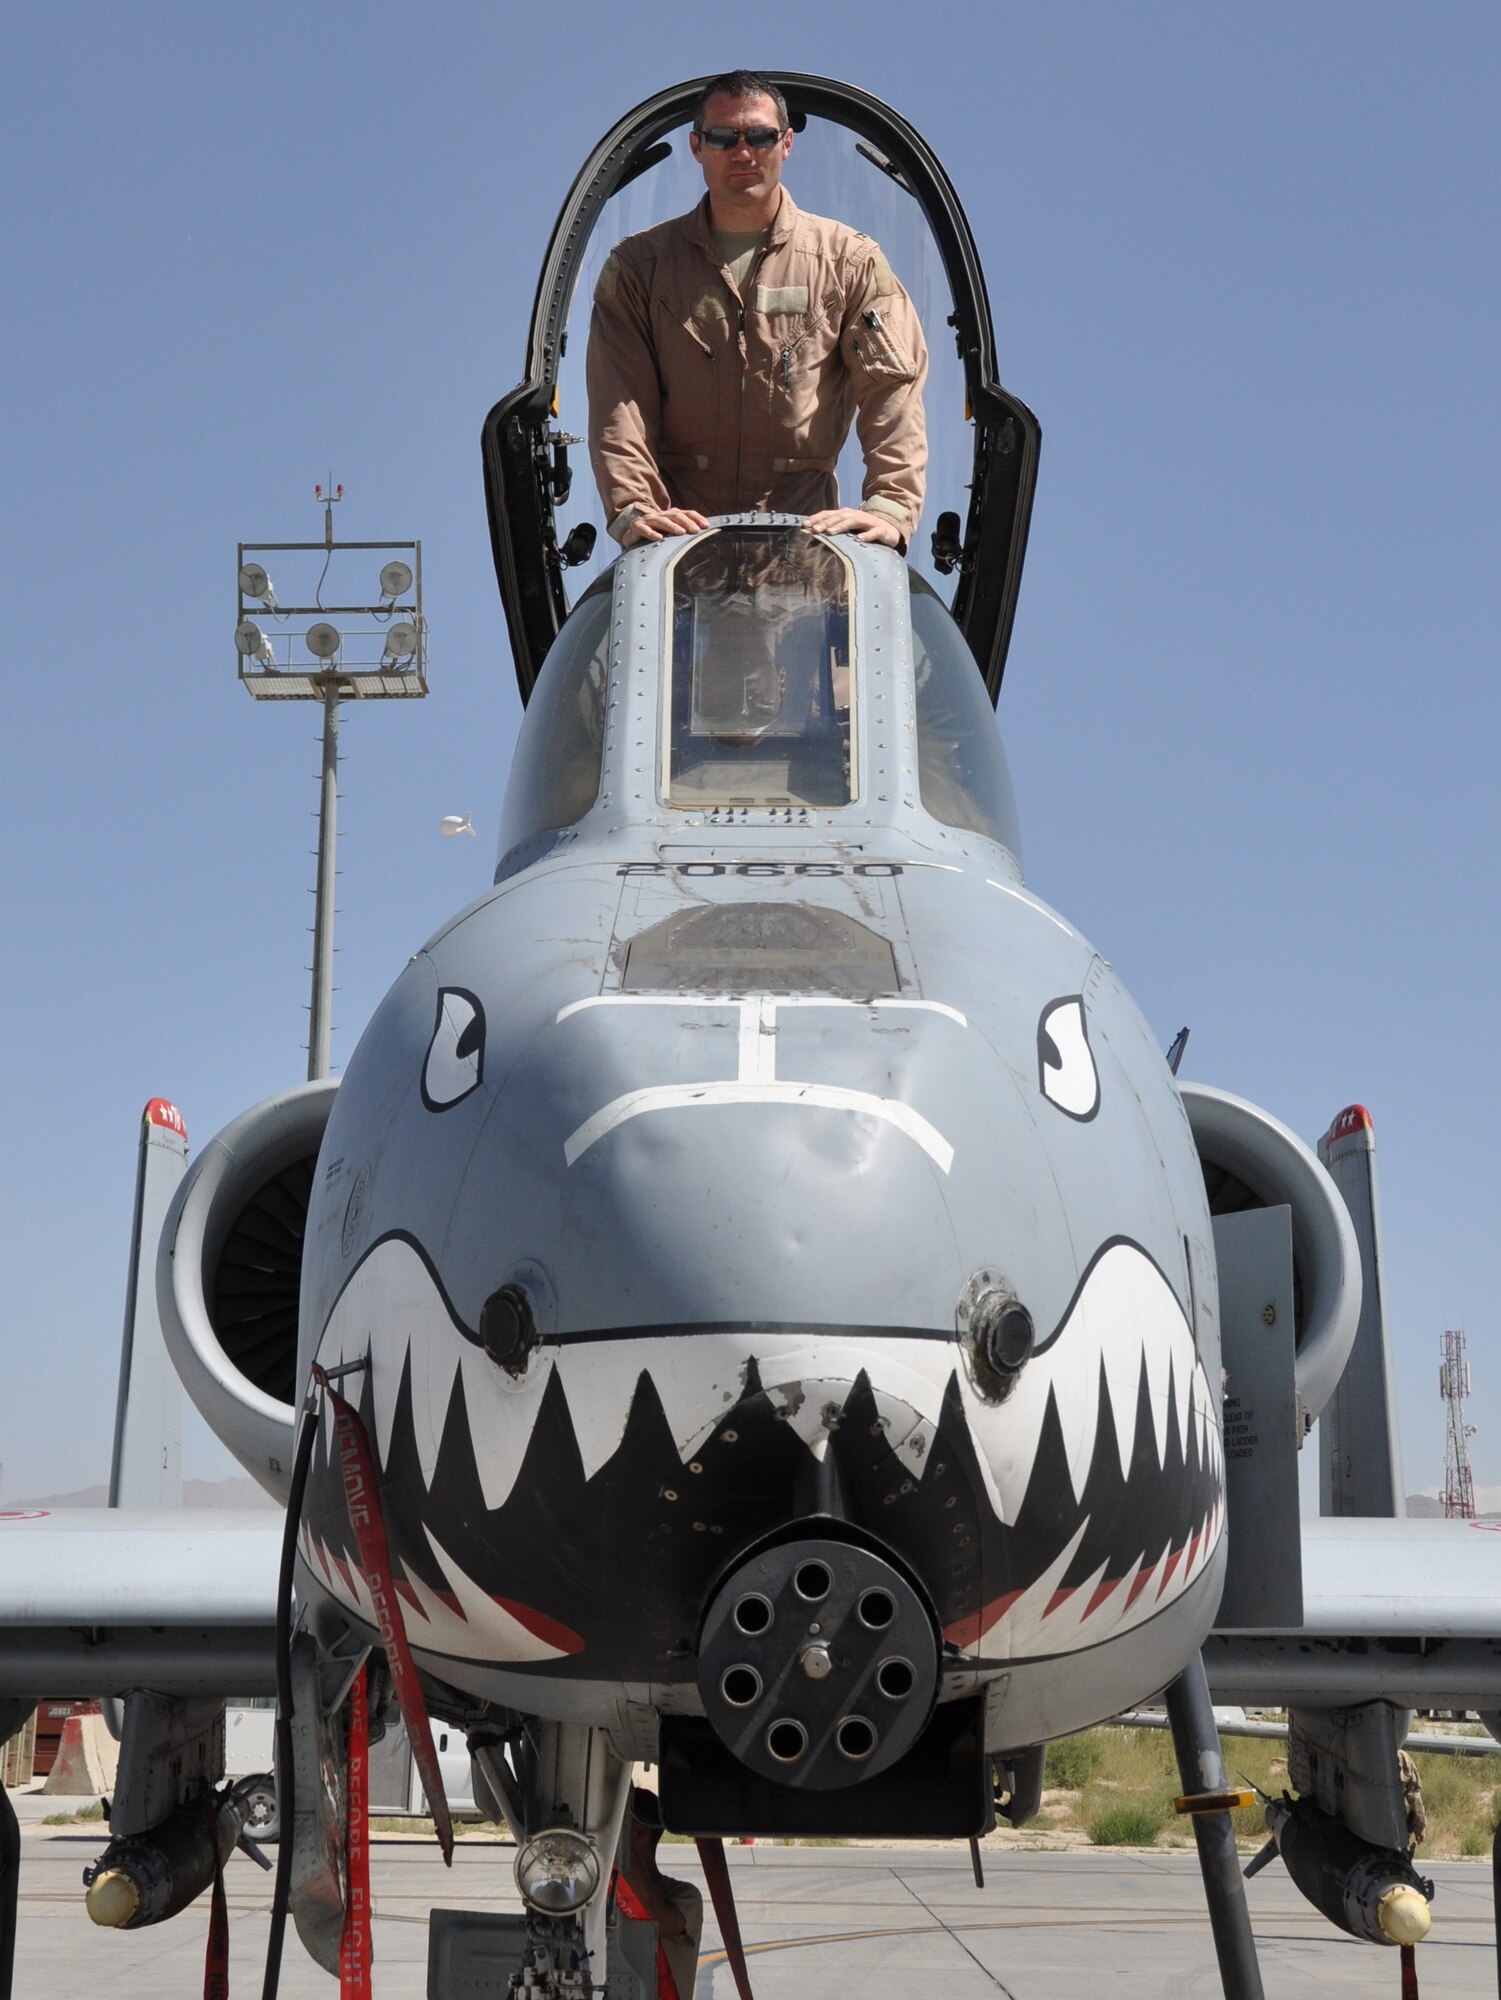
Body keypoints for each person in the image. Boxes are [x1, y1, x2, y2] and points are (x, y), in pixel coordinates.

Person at [587, 70, 928, 553]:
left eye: (761, 136)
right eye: (724, 138)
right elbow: (618, 401)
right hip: (679, 552)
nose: (743, 153)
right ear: (696, 146)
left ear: (786, 144)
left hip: (809, 550)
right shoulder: (640, 268)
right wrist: (636, 509)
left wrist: (889, 509)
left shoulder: (848, 262)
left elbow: (893, 390)